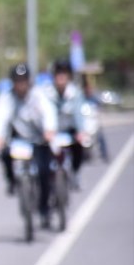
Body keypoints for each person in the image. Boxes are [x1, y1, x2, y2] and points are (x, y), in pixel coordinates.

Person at [0, 63, 58, 229]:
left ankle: (44, 209)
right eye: (17, 81)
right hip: (19, 139)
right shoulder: (7, 98)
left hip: (39, 139)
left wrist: (50, 130)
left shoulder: (38, 95)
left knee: (44, 171)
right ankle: (13, 181)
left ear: (29, 81)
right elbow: (0, 118)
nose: (20, 85)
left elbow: (48, 113)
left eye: (23, 81)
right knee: (5, 154)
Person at [39, 59, 87, 187]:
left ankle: (75, 172)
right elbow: (44, 113)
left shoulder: (75, 93)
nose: (61, 77)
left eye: (64, 73)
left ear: (69, 76)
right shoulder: (46, 92)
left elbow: (78, 113)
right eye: (58, 73)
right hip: (49, 131)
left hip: (68, 129)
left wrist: (81, 131)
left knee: (79, 147)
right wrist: (47, 131)